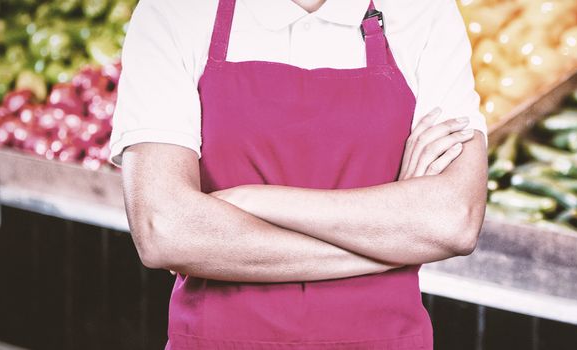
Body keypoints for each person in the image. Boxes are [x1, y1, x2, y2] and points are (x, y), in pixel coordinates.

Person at [107, 0, 488, 348]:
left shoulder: (424, 12)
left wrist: (253, 200)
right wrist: (395, 241)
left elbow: (454, 220)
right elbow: (165, 230)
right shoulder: (174, 11)